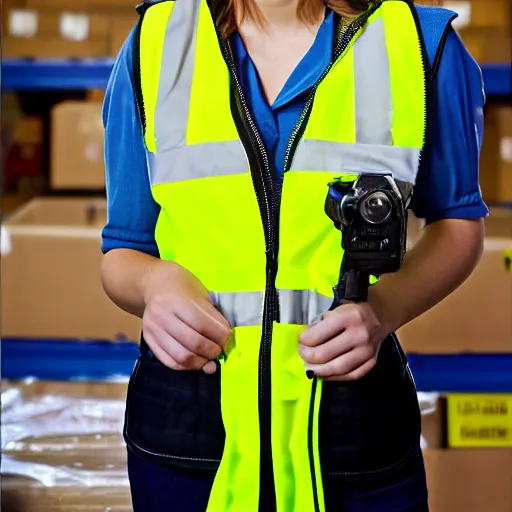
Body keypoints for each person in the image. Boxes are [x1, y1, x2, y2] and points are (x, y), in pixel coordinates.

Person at [100, 0, 488, 510]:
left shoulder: (418, 42)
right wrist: (153, 285)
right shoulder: (157, 42)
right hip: (189, 425)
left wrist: (382, 312)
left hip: (351, 426)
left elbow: (459, 225)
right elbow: (123, 252)